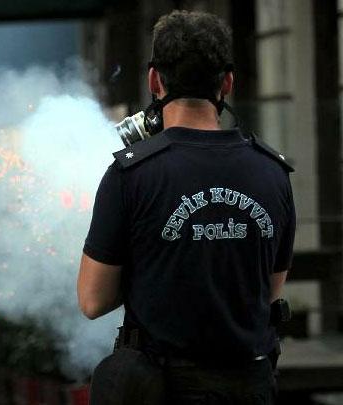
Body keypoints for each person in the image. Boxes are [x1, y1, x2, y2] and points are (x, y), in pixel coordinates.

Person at [77, 10, 295, 405]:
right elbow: (268, 290)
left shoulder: (130, 174)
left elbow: (93, 300)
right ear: (227, 82)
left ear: (154, 80)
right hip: (249, 387)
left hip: (162, 388)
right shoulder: (273, 172)